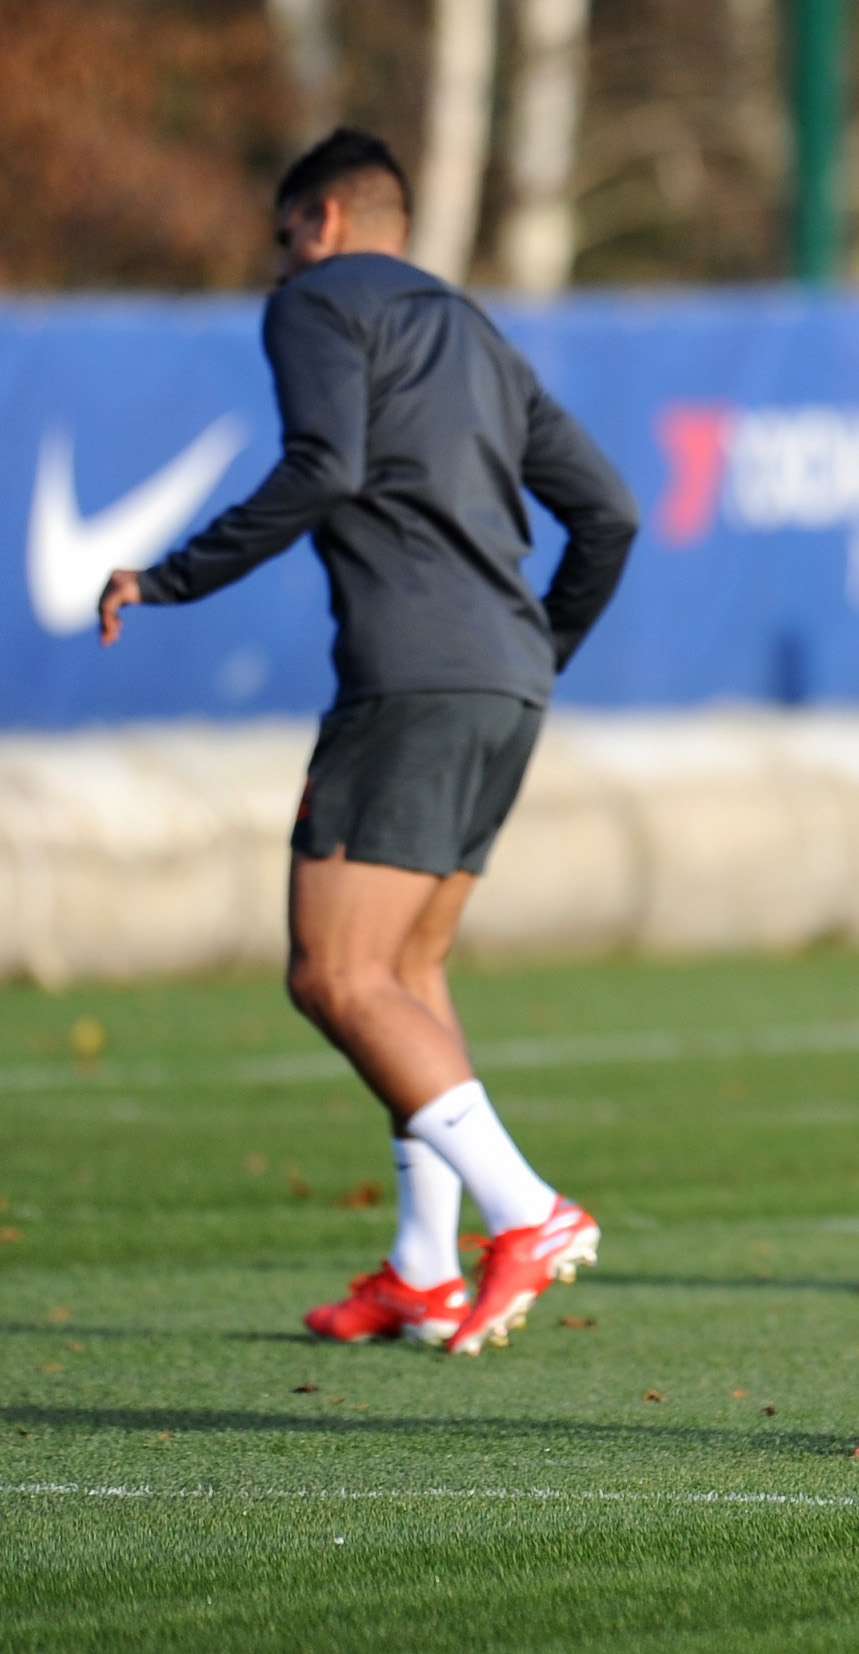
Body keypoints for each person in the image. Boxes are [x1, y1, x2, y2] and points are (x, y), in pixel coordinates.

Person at [97, 129, 637, 1357]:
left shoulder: (316, 306)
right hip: (506, 683)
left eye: (285, 240)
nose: (280, 264)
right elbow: (609, 510)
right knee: (408, 974)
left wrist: (173, 576)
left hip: (409, 681)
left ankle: (526, 1211)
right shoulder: (479, 335)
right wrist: (535, 650)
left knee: (333, 975)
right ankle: (419, 1268)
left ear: (322, 223)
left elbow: (325, 464)